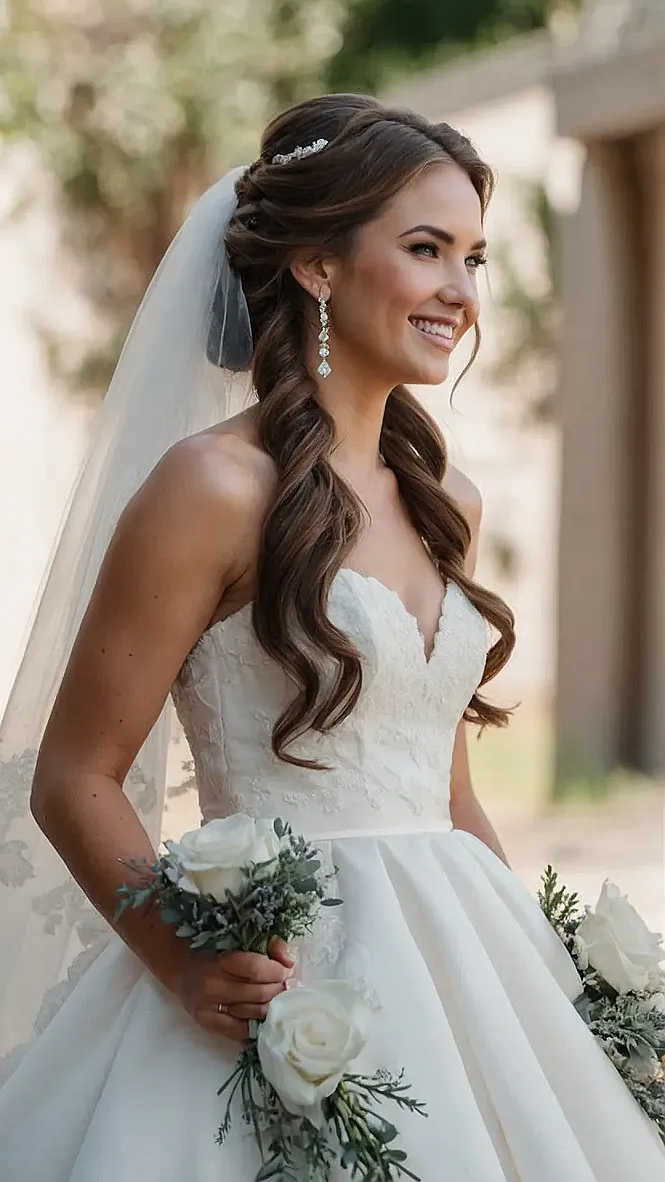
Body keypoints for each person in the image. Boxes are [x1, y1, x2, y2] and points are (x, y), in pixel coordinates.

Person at [0, 92, 662, 1182]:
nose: (458, 288)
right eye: (423, 249)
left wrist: (544, 990)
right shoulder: (209, 488)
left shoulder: (447, 494)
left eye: (472, 257)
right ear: (316, 263)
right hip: (282, 986)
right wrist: (178, 960)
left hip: (464, 971)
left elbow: (445, 796)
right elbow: (74, 773)